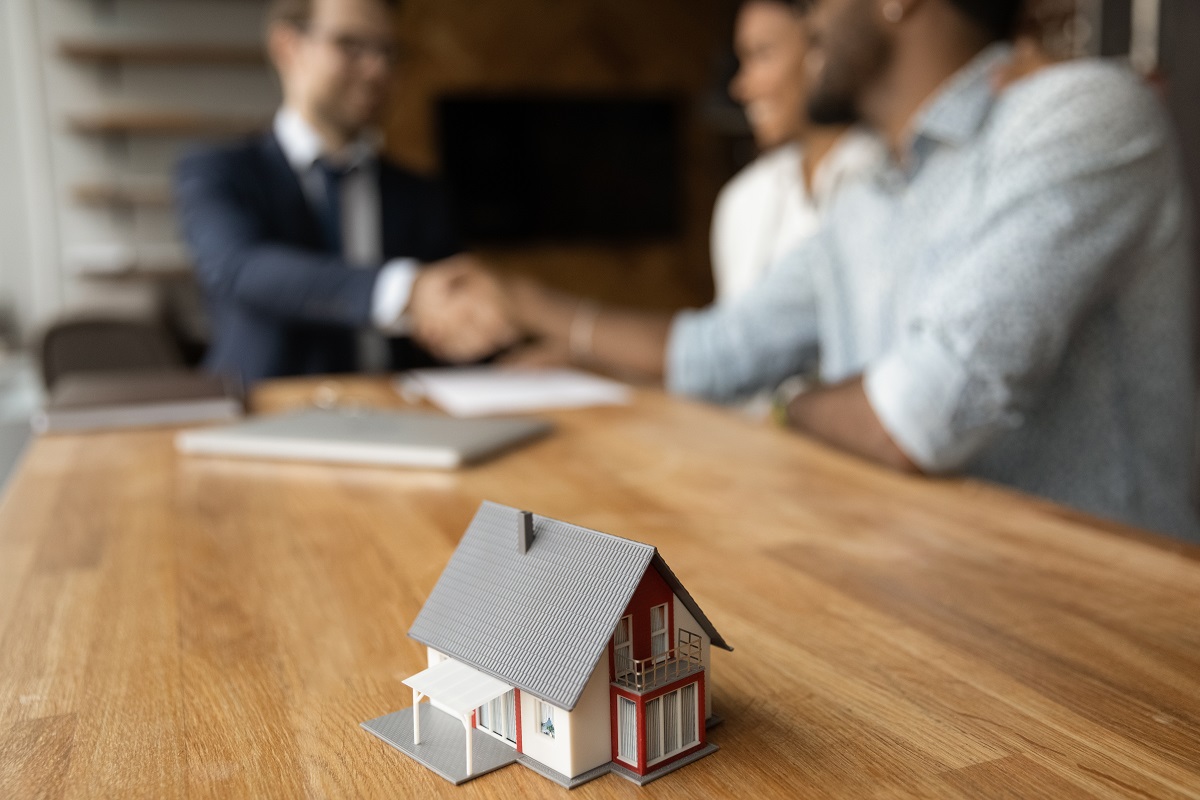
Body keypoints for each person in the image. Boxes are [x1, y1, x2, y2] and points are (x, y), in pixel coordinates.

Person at [426, 0, 1200, 541]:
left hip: (1109, 628)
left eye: (815, 0)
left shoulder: (1083, 115)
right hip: (936, 584)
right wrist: (531, 302)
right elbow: (716, 350)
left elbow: (918, 418)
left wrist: (787, 407)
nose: (808, 21)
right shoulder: (868, 192)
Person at [176, 0, 514, 387]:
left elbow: (449, 303)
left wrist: (503, 354)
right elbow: (241, 268)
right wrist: (404, 291)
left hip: (401, 417)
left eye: (388, 52)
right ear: (289, 47)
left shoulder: (420, 194)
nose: (377, 69)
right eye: (351, 45)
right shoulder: (220, 171)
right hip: (265, 411)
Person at [714, 0, 878, 304]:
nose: (740, 86)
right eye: (743, 59)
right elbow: (729, 339)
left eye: (761, 54)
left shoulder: (883, 177)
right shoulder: (743, 199)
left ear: (820, 50)